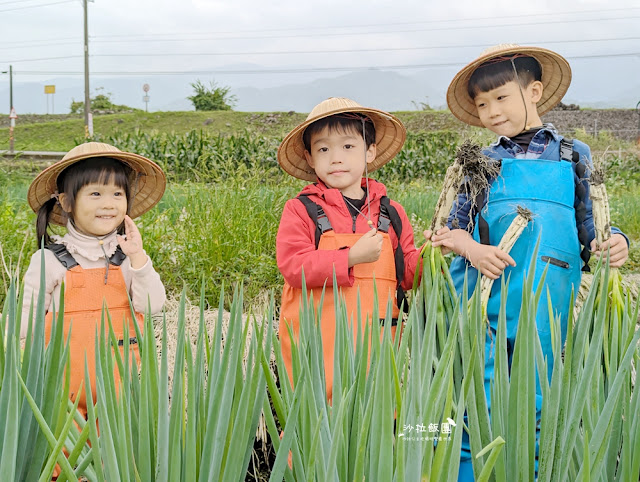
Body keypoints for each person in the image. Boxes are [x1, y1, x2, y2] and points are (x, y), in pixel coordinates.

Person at [429, 44, 629, 479]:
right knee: (477, 404)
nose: (491, 111)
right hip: (487, 302)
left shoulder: (572, 155)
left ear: (534, 91)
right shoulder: (479, 161)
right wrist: (475, 251)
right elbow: (447, 231)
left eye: (501, 97)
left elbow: (591, 228)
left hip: (549, 308)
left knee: (544, 405)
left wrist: (617, 242)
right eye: (482, 104)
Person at [276, 97, 425, 401]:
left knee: (377, 428)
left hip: (378, 347)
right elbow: (294, 267)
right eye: (323, 149)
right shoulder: (301, 209)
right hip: (318, 349)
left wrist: (432, 254)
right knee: (317, 430)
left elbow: (407, 274)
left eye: (347, 147)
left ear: (369, 151)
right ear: (309, 157)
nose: (335, 158)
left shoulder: (391, 213)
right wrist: (352, 257)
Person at [22, 141, 167, 418]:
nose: (108, 204)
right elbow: (23, 323)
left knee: (120, 461)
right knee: (61, 460)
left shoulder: (127, 259)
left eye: (117, 193)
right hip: (61, 400)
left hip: (122, 397)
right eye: (96, 193)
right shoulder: (49, 261)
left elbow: (153, 306)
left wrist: (138, 258)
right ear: (66, 202)